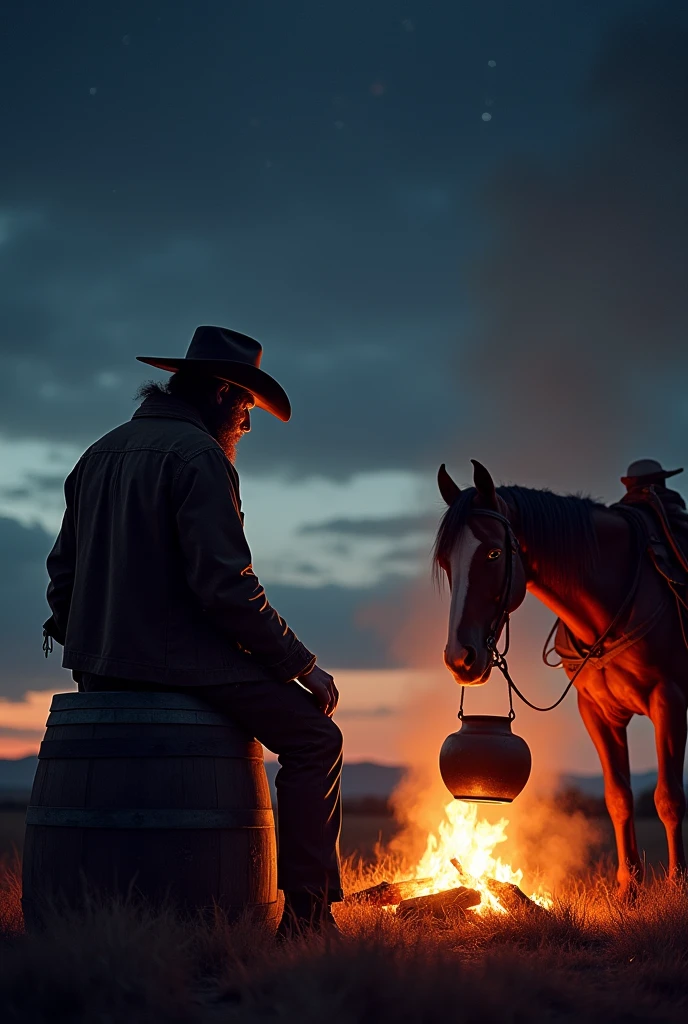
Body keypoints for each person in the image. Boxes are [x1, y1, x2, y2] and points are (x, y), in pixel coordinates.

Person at [43, 325, 343, 935]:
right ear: (224, 393)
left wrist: (90, 645)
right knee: (316, 740)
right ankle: (309, 922)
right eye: (247, 408)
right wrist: (301, 665)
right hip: (183, 663)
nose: (249, 426)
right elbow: (227, 590)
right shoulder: (200, 457)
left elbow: (61, 576)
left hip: (100, 667)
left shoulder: (98, 453)